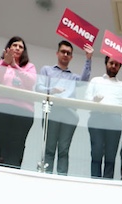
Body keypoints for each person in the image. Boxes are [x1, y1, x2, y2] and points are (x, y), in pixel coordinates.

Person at [36, 41, 93, 175]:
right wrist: (52, 90)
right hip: (52, 111)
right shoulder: (47, 70)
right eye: (63, 52)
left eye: (68, 53)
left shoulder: (73, 77)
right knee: (49, 148)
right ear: (57, 53)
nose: (65, 55)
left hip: (69, 114)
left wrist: (88, 59)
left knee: (64, 150)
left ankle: (62, 178)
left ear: (71, 57)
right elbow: (38, 87)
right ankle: (46, 177)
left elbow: (84, 80)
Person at [85, 56, 122, 179]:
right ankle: (95, 181)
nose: (113, 66)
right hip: (97, 117)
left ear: (119, 67)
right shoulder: (96, 80)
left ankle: (107, 182)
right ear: (106, 64)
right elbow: (87, 98)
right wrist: (94, 101)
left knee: (111, 154)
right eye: (111, 63)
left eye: (116, 64)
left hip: (115, 119)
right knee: (96, 151)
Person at [0, 36, 37, 169]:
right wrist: (6, 63)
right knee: (2, 141)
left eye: (20, 47)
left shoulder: (29, 66)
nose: (17, 48)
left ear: (24, 51)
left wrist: (14, 66)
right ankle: (1, 169)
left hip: (24, 111)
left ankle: (14, 171)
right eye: (14, 45)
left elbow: (31, 81)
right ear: (9, 48)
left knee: (18, 144)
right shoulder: (0, 63)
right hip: (2, 107)